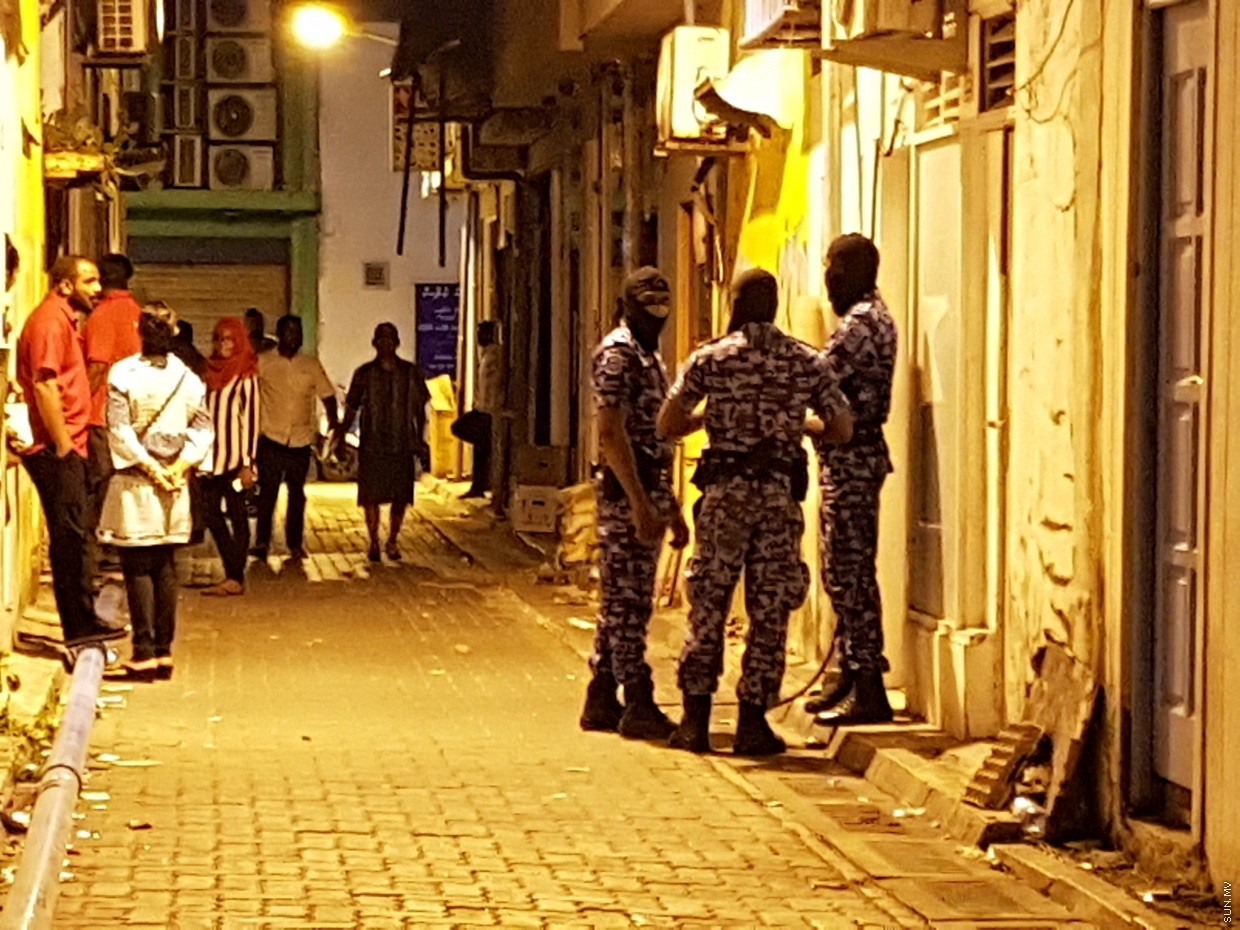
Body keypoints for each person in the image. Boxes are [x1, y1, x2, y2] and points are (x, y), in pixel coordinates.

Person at [657, 269, 854, 756]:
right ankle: (752, 723)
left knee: (709, 604)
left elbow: (668, 422)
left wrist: (711, 418)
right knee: (770, 610)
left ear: (736, 304)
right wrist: (798, 426)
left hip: (725, 497)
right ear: (774, 305)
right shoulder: (805, 361)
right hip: (776, 499)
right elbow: (842, 427)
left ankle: (695, 722)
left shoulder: (711, 358)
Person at [579, 267, 688, 741]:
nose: (657, 316)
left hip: (649, 487)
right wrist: (640, 502)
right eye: (648, 308)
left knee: (621, 602)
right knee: (629, 603)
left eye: (663, 307)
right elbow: (610, 432)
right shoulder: (619, 355)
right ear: (627, 307)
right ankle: (638, 700)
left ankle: (602, 694)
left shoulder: (649, 356)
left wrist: (670, 506)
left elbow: (655, 436)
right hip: (628, 494)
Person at [806, 234, 898, 726]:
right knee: (842, 570)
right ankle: (848, 671)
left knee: (850, 572)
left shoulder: (860, 326)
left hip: (853, 460)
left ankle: (868, 687)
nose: (828, 281)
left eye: (834, 271)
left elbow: (816, 379)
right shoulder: (870, 318)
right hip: (850, 458)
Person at [16, 256, 127, 659]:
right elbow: (45, 384)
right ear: (65, 285)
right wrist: (63, 443)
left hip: (73, 443)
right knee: (69, 538)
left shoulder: (64, 321)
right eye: (89, 281)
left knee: (78, 535)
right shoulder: (49, 322)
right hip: (57, 447)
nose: (98, 289)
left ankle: (86, 620)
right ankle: (79, 630)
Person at [98, 302, 212, 680]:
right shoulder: (188, 379)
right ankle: (164, 652)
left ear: (139, 331)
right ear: (174, 332)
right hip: (175, 485)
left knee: (137, 568)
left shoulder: (122, 374)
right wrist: (178, 468)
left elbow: (119, 430)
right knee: (165, 566)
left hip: (137, 484)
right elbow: (203, 430)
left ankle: (143, 651)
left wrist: (150, 467)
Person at [337, 323, 430, 563]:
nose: (386, 344)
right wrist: (341, 436)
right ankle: (374, 542)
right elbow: (352, 407)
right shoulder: (364, 374)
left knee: (400, 497)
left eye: (390, 339)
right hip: (372, 444)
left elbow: (420, 410)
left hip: (402, 444)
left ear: (397, 343)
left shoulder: (411, 373)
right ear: (374, 343)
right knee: (371, 497)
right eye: (381, 339)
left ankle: (393, 540)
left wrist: (420, 440)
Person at [252, 315, 338, 560]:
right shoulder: (263, 362)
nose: (294, 336)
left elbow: (328, 396)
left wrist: (334, 426)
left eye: (298, 332)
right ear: (279, 334)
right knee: (267, 493)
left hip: (300, 440)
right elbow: (247, 391)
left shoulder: (310, 365)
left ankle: (295, 543)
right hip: (271, 437)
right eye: (289, 331)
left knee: (297, 494)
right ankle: (262, 542)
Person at [82, 253, 143, 580]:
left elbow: (97, 366)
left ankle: (93, 559)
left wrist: (75, 407)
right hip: (131, 418)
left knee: (97, 487)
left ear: (102, 278)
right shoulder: (138, 314)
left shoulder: (102, 315)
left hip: (100, 415)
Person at [200, 318, 259, 596]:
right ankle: (233, 569)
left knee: (238, 516)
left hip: (235, 460)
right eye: (219, 338)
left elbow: (252, 420)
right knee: (210, 514)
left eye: (229, 339)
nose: (223, 344)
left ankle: (235, 576)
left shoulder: (245, 375)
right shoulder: (208, 372)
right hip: (210, 459)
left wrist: (248, 463)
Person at [451, 321, 501, 499]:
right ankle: (480, 484)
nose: (479, 337)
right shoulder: (485, 355)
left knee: (469, 434)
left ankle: (482, 484)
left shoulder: (496, 355)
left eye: (483, 333)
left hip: (491, 411)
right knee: (476, 443)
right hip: (482, 408)